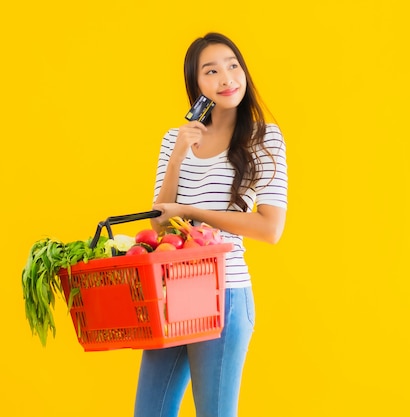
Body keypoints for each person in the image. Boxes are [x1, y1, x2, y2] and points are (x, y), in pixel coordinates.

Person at [134, 32, 288, 417]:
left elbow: (269, 228)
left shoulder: (263, 137)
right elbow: (161, 227)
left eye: (233, 65)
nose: (226, 78)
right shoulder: (175, 139)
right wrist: (177, 155)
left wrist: (193, 211)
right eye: (212, 70)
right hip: (170, 293)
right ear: (196, 85)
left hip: (226, 291)